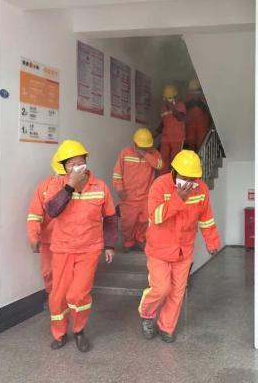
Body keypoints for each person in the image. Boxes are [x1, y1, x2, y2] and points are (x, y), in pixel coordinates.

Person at [138, 150, 220, 343]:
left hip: (184, 250)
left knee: (177, 292)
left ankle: (167, 327)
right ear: (174, 171)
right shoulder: (160, 185)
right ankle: (147, 314)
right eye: (184, 177)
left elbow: (206, 218)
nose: (189, 182)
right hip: (159, 249)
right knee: (161, 288)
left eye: (193, 178)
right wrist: (178, 198)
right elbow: (156, 217)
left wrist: (212, 242)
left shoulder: (201, 189)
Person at [44, 139, 118, 352]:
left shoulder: (100, 186)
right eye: (71, 164)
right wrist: (69, 186)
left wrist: (110, 245)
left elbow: (110, 218)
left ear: (86, 161)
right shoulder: (56, 184)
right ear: (64, 167)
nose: (76, 167)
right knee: (58, 296)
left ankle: (79, 330)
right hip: (62, 248)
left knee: (78, 295)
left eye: (79, 162)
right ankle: (59, 333)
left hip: (89, 249)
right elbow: (52, 210)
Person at [112, 128, 163, 251]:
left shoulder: (154, 153)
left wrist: (146, 155)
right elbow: (117, 173)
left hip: (146, 196)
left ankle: (141, 238)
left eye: (147, 147)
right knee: (128, 222)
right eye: (142, 148)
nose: (144, 149)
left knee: (145, 220)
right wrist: (119, 189)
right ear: (135, 144)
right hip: (128, 197)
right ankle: (129, 241)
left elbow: (160, 165)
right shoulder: (125, 153)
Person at [26, 153, 67, 294]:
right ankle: (54, 299)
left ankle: (63, 301)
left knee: (68, 276)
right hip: (49, 240)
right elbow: (34, 214)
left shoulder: (81, 187)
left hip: (71, 241)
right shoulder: (44, 187)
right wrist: (33, 237)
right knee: (49, 273)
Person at [156, 84, 186, 174]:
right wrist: (155, 133)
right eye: (166, 98)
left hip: (177, 138)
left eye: (169, 98)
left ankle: (173, 178)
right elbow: (164, 122)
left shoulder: (180, 105)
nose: (167, 100)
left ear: (174, 97)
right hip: (165, 138)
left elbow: (180, 117)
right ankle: (163, 178)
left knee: (175, 160)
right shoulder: (164, 107)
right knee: (164, 159)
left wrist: (171, 107)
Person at [184, 79, 211, 151]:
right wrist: (193, 101)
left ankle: (200, 157)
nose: (194, 93)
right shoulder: (188, 97)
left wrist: (198, 101)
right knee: (190, 142)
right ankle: (191, 157)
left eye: (195, 91)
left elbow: (207, 109)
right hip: (190, 124)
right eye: (192, 91)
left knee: (201, 144)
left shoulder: (205, 98)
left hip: (202, 124)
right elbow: (184, 108)